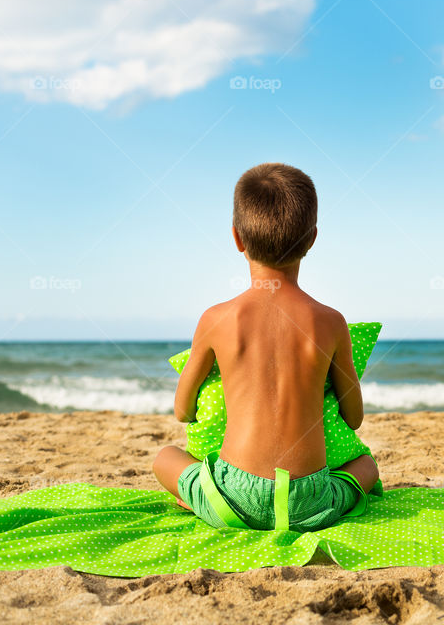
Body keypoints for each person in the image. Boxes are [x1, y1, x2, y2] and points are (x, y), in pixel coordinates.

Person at [152, 163, 378, 531]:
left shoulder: (216, 319)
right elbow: (354, 419)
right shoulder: (331, 322)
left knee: (165, 457)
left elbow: (182, 410)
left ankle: (199, 502)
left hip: (232, 499)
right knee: (367, 466)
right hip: (309, 502)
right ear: (312, 239)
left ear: (237, 238)